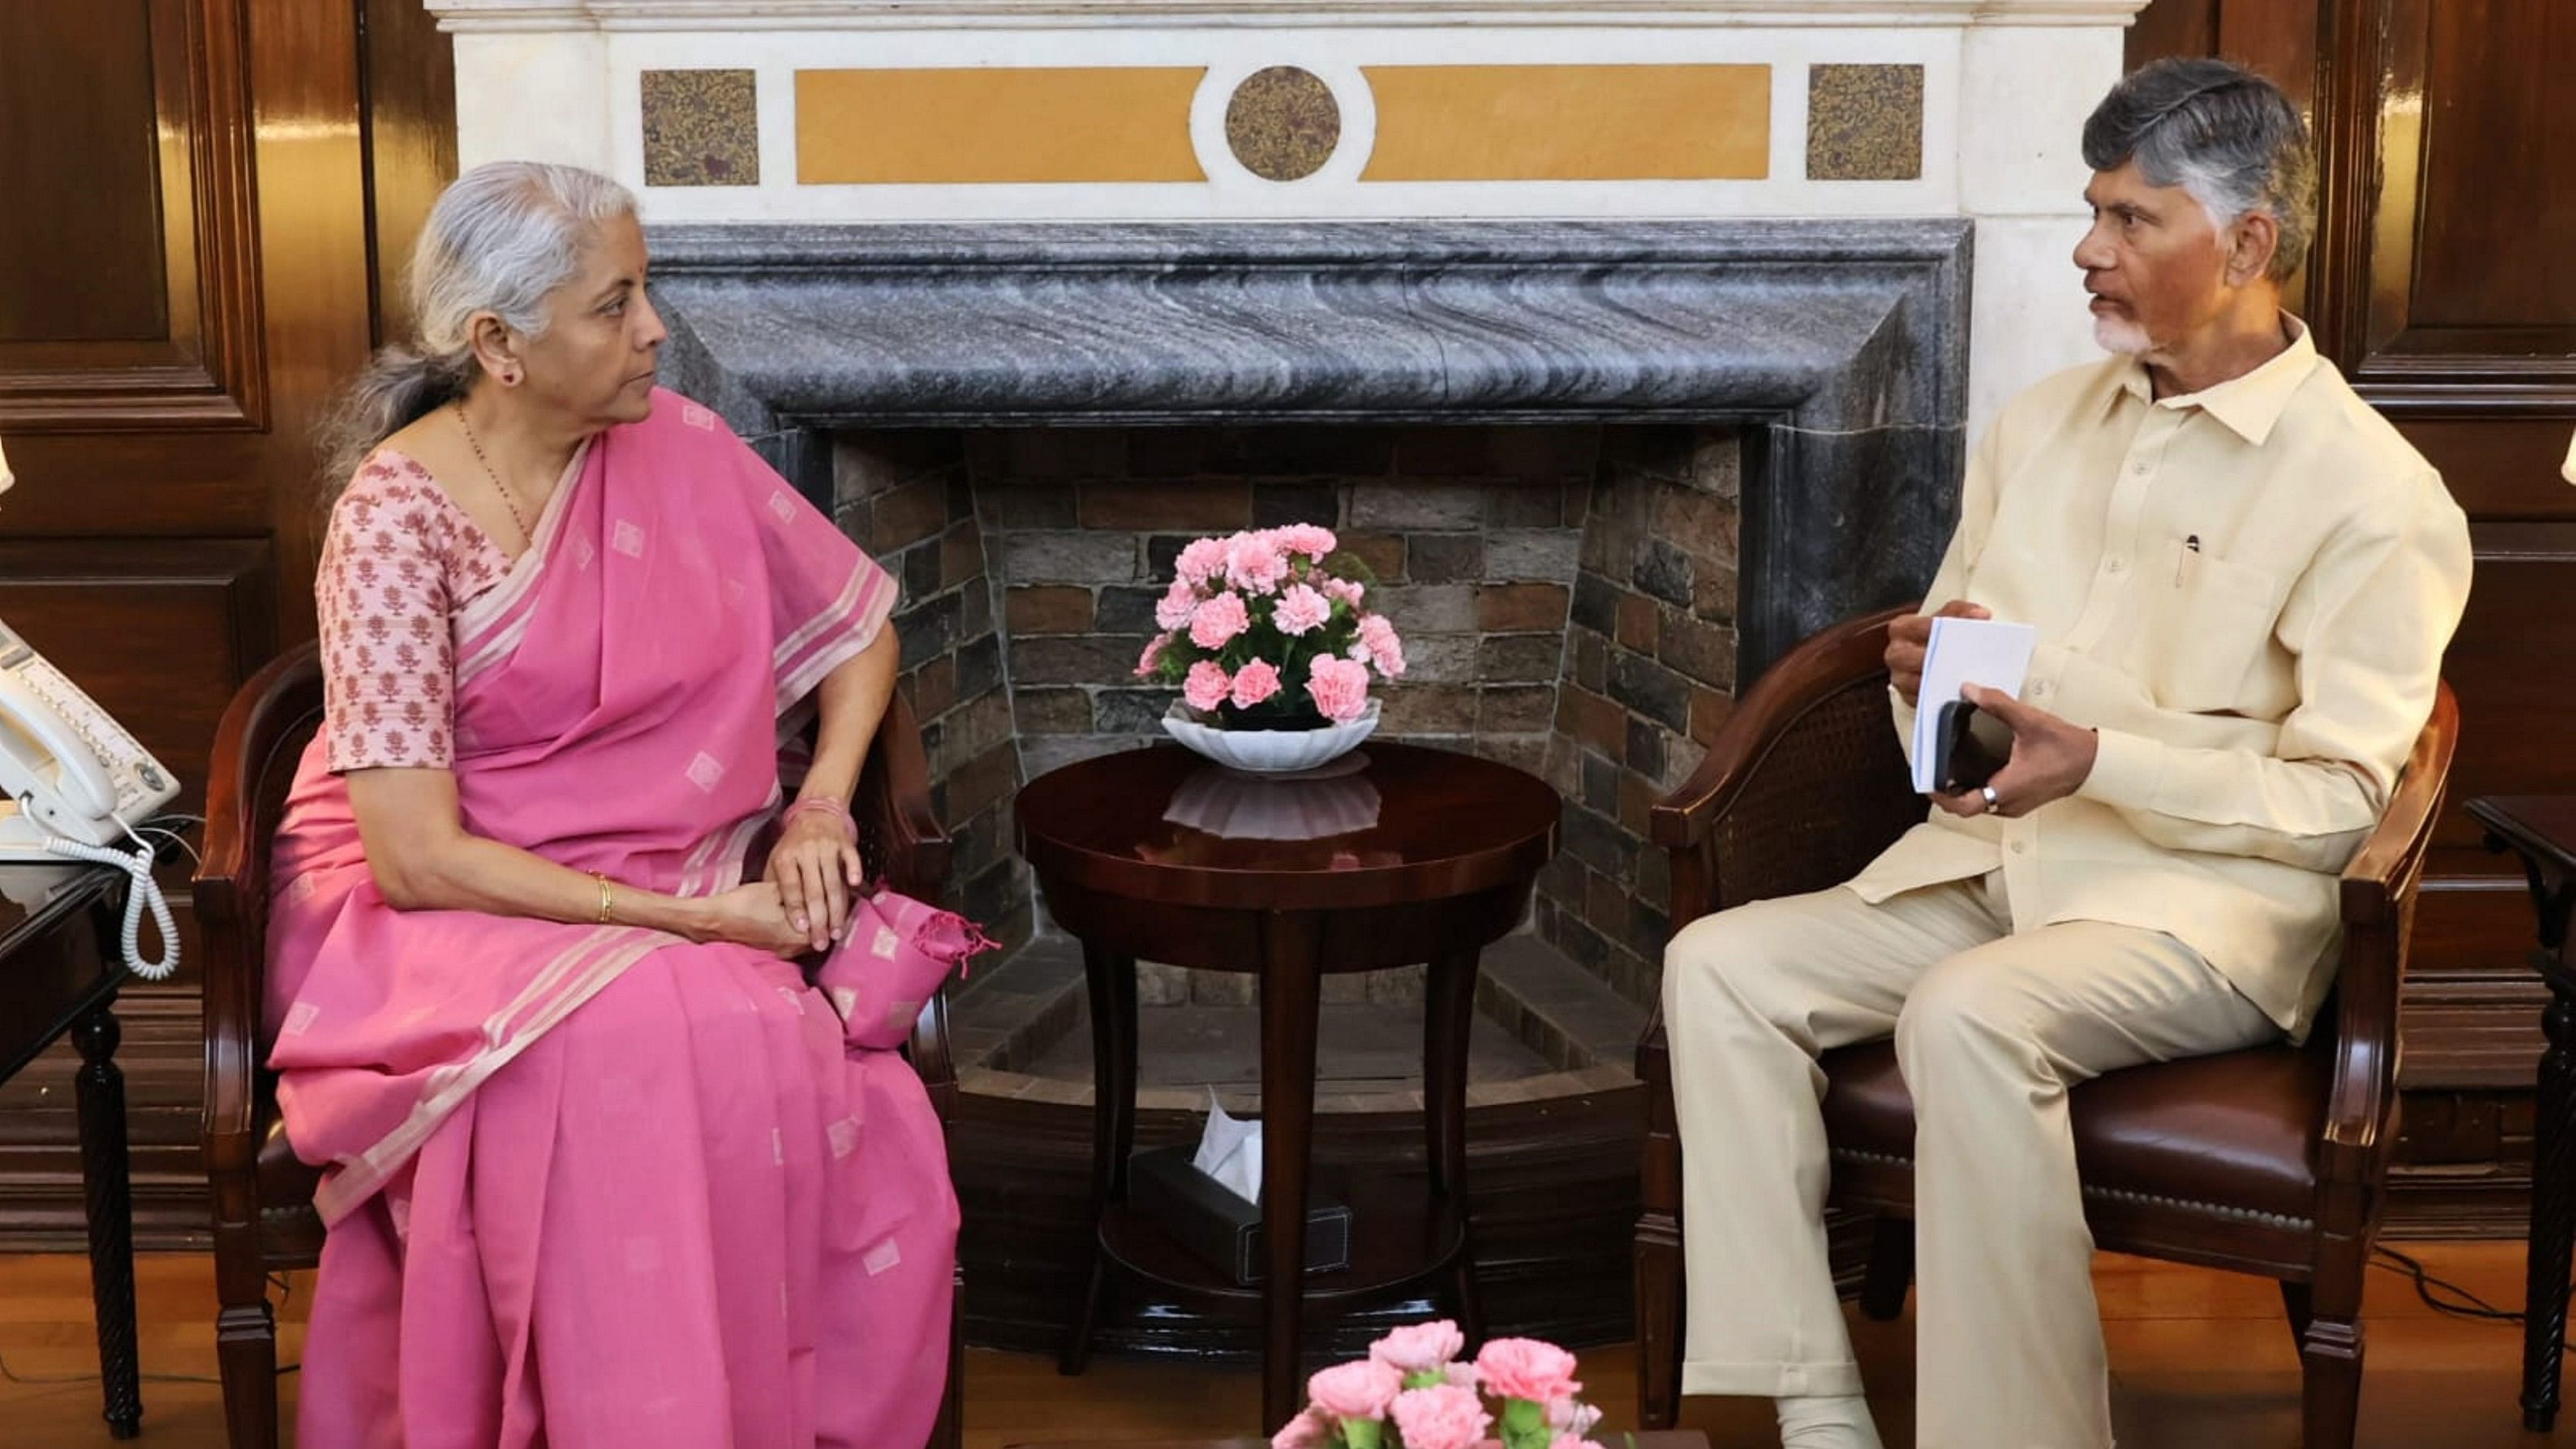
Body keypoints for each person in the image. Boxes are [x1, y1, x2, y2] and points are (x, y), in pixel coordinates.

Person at [1659, 58, 2473, 1449]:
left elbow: (2342, 802)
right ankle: (1804, 1405)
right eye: (2089, 212)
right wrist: (1935, 687)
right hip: (1997, 852)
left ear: (2247, 246)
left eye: (2131, 220)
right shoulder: (2039, 424)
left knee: (1969, 1014)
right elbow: (1969, 694)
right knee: (1716, 964)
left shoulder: (2376, 495)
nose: (2089, 252)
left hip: (2203, 909)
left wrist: (2098, 758)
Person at [266, 160, 955, 1446]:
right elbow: (414, 856)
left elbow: (862, 629)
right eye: (614, 303)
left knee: (747, 1047)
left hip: (682, 868)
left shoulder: (677, 447)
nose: (653, 332)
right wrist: (693, 923)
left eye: (647, 293)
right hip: (437, 909)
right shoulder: (395, 522)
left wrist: (819, 807)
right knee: (638, 1041)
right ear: (499, 344)